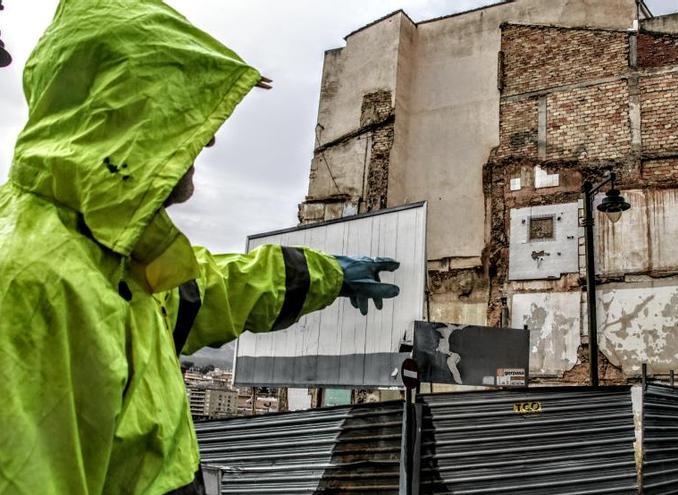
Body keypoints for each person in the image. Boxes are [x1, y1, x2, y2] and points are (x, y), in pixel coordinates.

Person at [0, 1, 399, 493]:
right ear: (127, 118)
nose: (206, 142)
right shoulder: (28, 284)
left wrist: (328, 274)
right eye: (183, 114)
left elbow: (206, 293)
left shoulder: (112, 253)